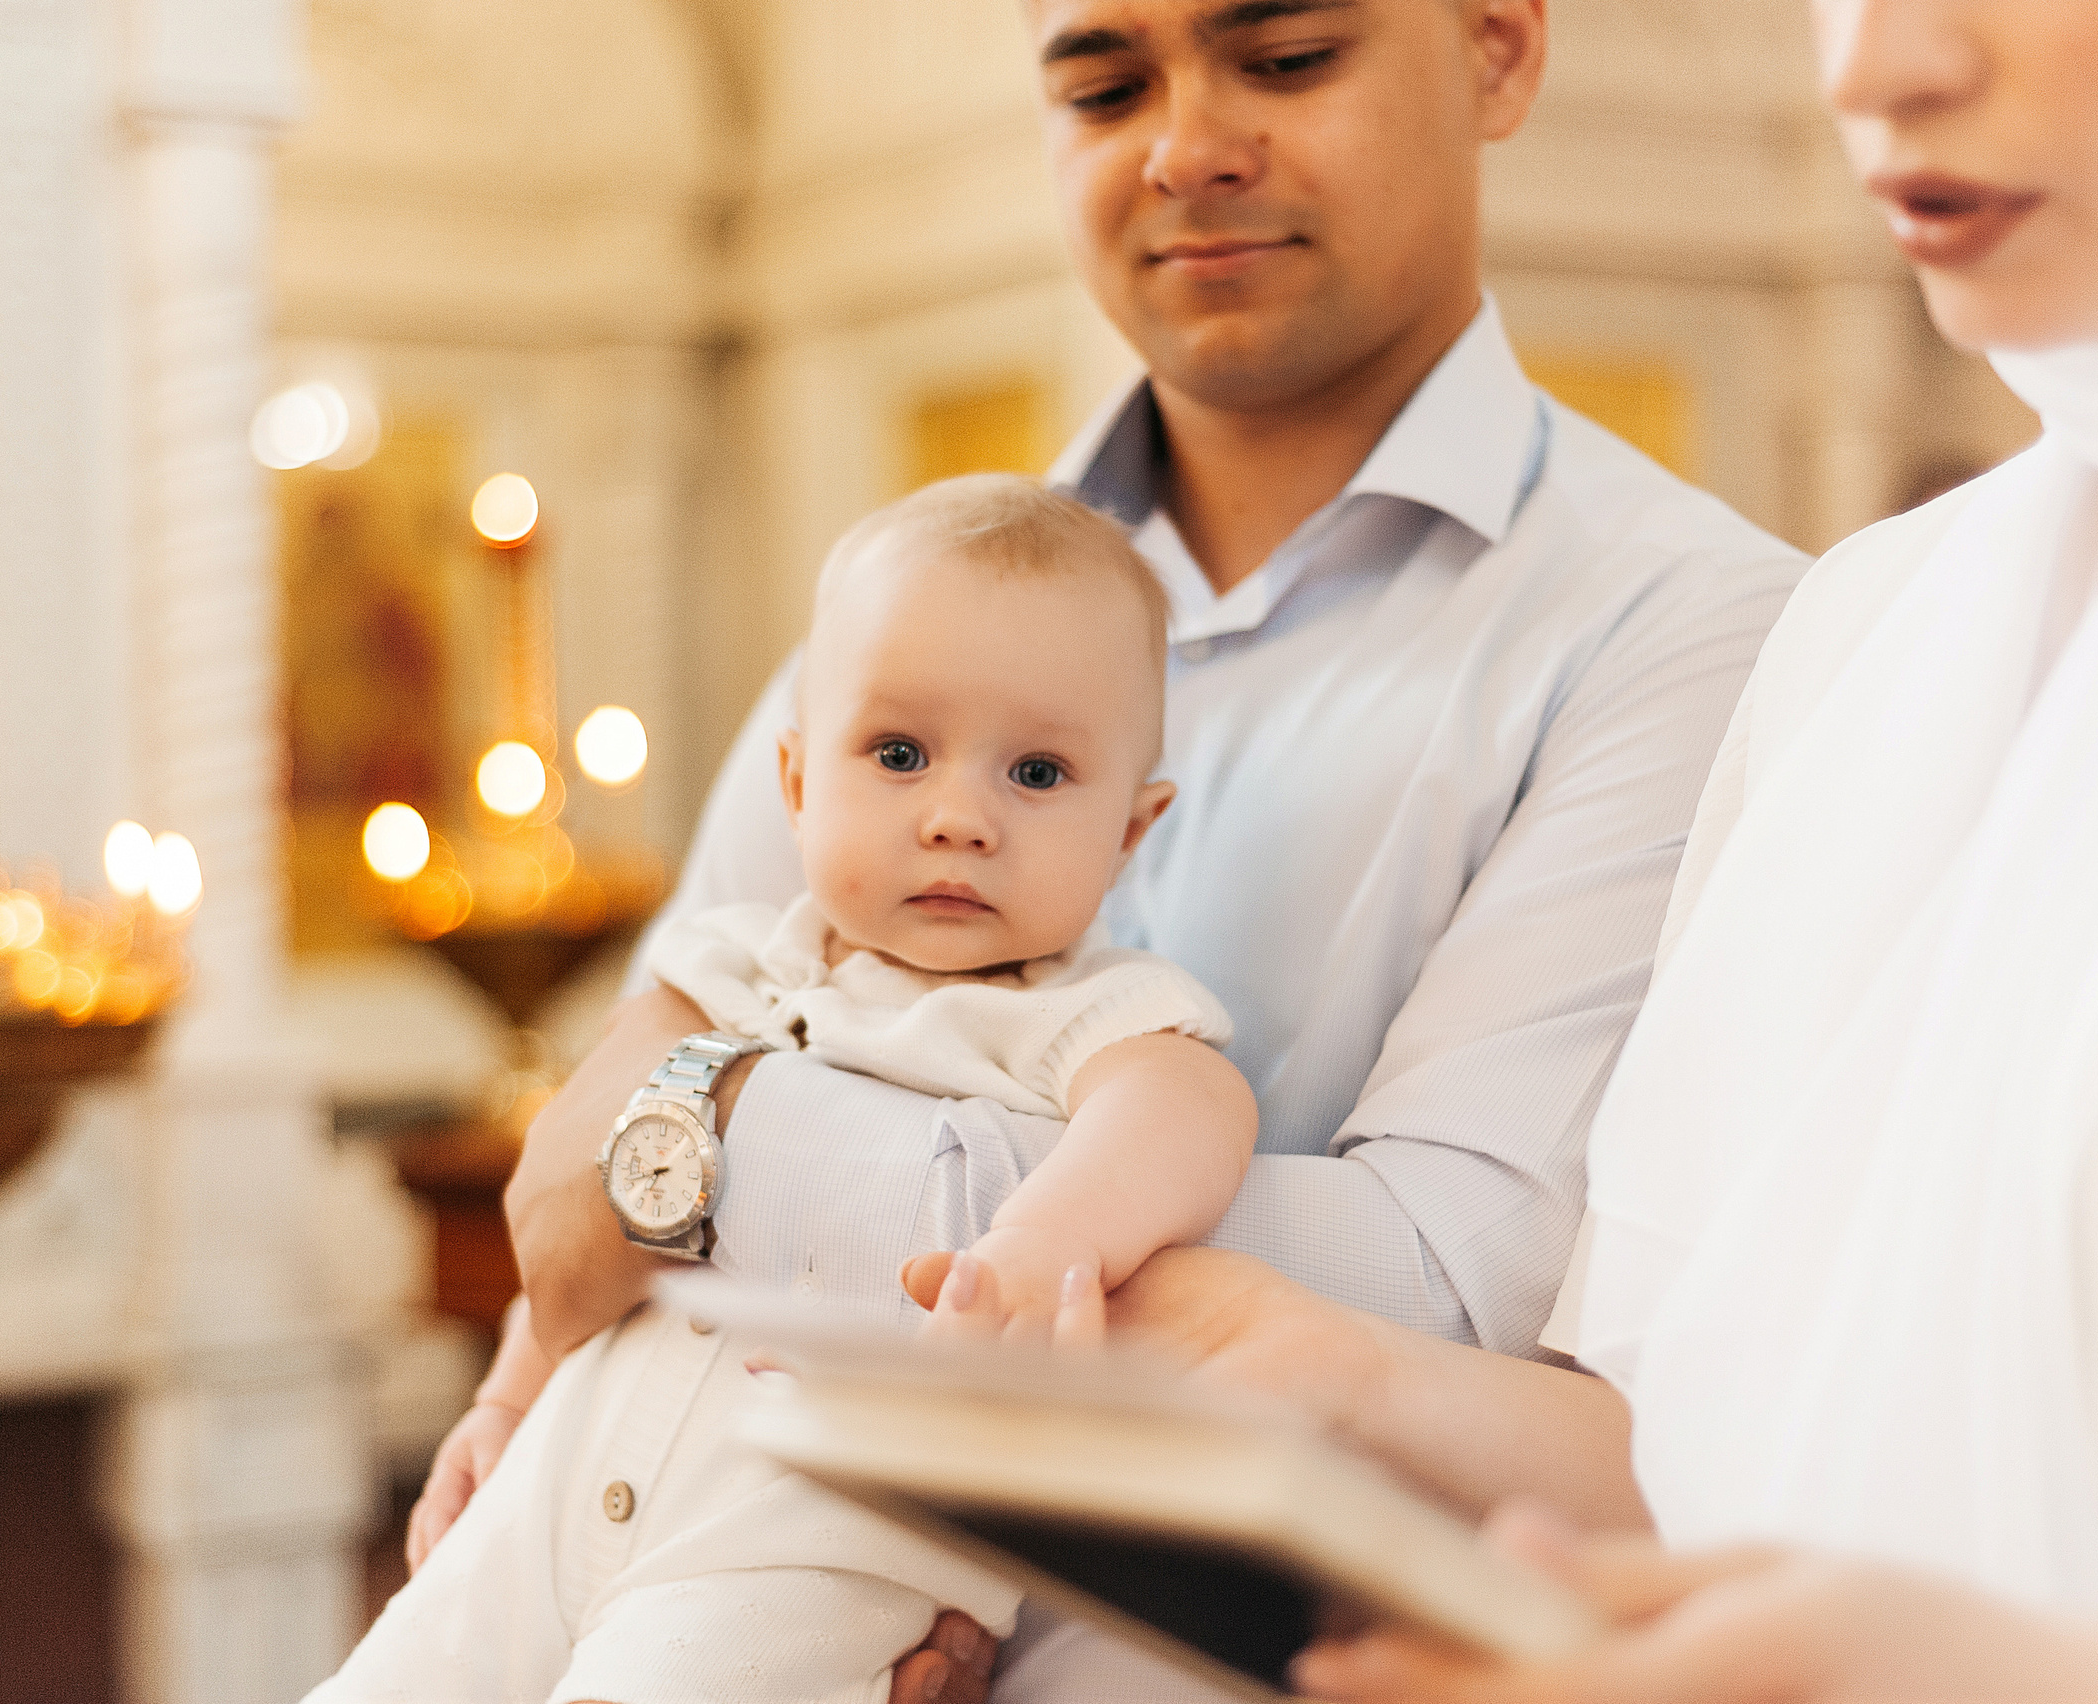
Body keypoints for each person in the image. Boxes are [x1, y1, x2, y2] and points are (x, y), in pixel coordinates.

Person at [421, 0, 1804, 1694]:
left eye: (1286, 60)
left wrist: (704, 1162)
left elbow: (1427, 1278)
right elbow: (607, 1144)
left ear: (1500, 50)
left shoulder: (1689, 629)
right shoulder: (899, 607)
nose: (1185, 146)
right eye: (1103, 83)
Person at [1014, 1, 2098, 1696]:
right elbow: (1689, 1444)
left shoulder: (1690, 617)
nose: (1874, 71)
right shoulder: (1868, 628)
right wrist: (1345, 1379)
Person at [313, 477, 1254, 1704]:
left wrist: (1035, 1247)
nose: (959, 816)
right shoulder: (725, 969)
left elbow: (1188, 1110)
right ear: (798, 783)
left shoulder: (1076, 1010)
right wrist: (505, 1394)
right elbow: (573, 1215)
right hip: (559, 1475)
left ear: (1132, 832)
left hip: (800, 1525)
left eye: (1035, 773)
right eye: (900, 755)